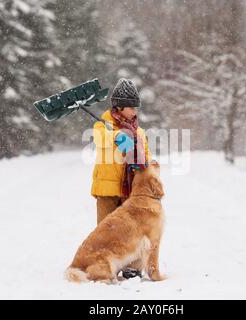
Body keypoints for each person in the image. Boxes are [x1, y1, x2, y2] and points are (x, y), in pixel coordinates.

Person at [90, 78, 152, 278]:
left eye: (136, 108)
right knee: (105, 231)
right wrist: (116, 137)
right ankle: (101, 265)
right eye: (131, 107)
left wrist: (144, 165)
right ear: (119, 106)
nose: (135, 111)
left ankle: (132, 268)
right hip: (107, 190)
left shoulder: (139, 132)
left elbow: (146, 158)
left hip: (131, 191)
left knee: (133, 230)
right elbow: (101, 140)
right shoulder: (102, 127)